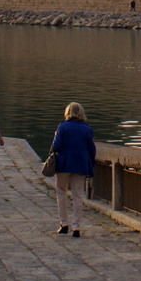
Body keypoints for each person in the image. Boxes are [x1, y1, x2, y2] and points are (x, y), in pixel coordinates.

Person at [50, 101, 95, 238]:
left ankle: (64, 224)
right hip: (80, 164)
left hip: (64, 163)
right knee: (78, 195)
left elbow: (56, 146)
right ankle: (76, 227)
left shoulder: (62, 127)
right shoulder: (87, 129)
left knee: (61, 192)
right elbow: (91, 150)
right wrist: (90, 164)